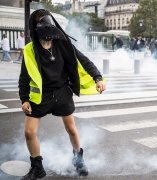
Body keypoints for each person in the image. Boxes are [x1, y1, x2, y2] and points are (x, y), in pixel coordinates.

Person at [18, 9, 106, 180]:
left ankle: (78, 161)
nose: (49, 37)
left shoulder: (63, 43)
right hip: (41, 96)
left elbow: (83, 60)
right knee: (29, 132)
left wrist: (97, 77)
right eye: (45, 32)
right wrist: (24, 99)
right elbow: (24, 77)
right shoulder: (29, 50)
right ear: (36, 30)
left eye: (51, 31)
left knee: (71, 129)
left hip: (62, 93)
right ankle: (37, 168)